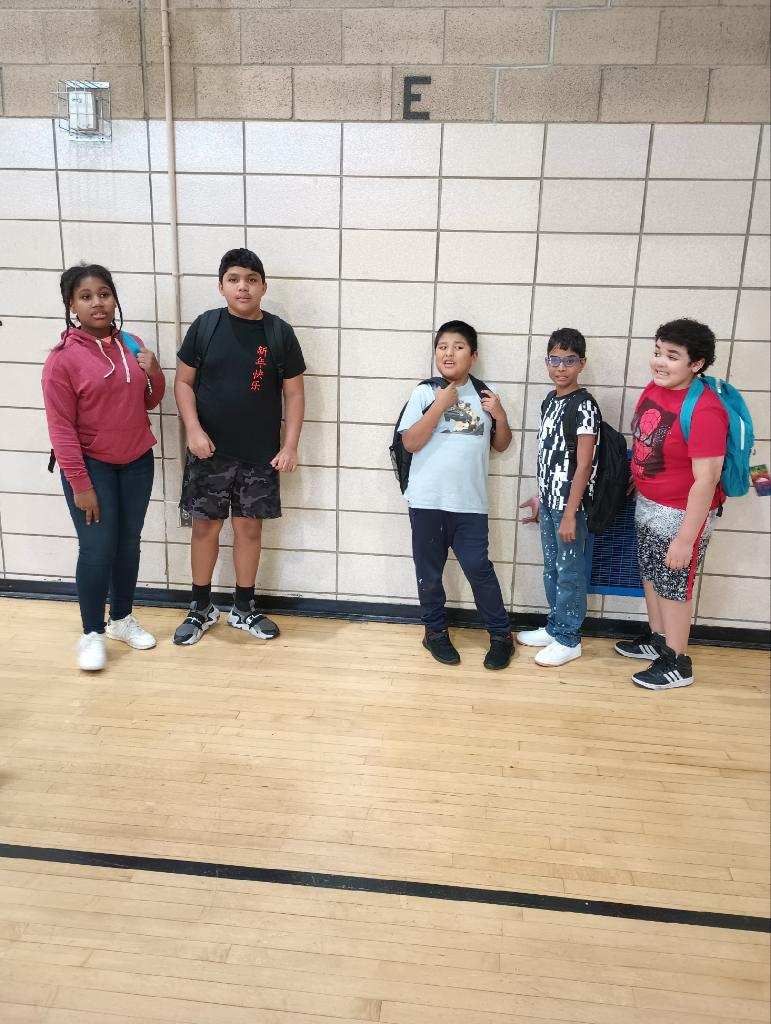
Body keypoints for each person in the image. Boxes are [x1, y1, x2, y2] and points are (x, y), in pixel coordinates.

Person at [172, 248, 305, 646]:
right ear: (221, 286)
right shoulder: (206, 326)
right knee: (205, 527)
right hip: (209, 451)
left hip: (260, 454)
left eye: (251, 279)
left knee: (249, 529)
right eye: (233, 279)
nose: (242, 287)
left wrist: (290, 445)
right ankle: (200, 608)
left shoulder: (279, 333)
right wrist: (193, 430)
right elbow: (183, 383)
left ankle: (243, 608)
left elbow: (295, 394)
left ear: (263, 286)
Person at [42, 263, 166, 671]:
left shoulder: (131, 344)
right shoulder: (62, 361)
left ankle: (121, 620)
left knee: (128, 543)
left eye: (104, 294)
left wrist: (154, 370)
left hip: (137, 461)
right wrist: (80, 484)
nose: (97, 303)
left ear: (114, 298)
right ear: (71, 305)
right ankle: (92, 633)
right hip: (91, 467)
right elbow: (61, 428)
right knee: (97, 548)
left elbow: (150, 400)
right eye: (86, 296)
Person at [616, 318, 727, 690]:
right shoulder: (655, 387)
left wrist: (685, 540)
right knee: (652, 575)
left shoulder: (706, 409)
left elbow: (706, 480)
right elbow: (651, 439)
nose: (659, 362)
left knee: (674, 586)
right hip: (649, 503)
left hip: (681, 514)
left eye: (672, 356)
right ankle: (659, 639)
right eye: (657, 352)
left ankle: (678, 662)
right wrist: (640, 472)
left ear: (696, 364)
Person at [398, 320, 515, 670]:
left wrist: (500, 415)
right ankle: (435, 632)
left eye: (458, 347)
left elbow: (501, 444)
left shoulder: (486, 395)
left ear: (473, 355)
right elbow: (410, 442)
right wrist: (439, 405)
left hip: (470, 503)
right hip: (427, 501)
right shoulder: (424, 393)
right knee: (430, 573)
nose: (449, 353)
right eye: (442, 347)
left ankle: (501, 636)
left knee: (478, 568)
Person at [518, 328, 599, 667]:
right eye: (555, 360)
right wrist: (541, 497)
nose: (561, 367)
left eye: (569, 361)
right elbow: (549, 456)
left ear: (582, 363)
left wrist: (569, 513)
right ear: (547, 361)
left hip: (571, 507)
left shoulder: (584, 405)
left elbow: (584, 465)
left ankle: (569, 639)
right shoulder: (550, 400)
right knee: (552, 567)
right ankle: (555, 627)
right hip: (550, 502)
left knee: (570, 571)